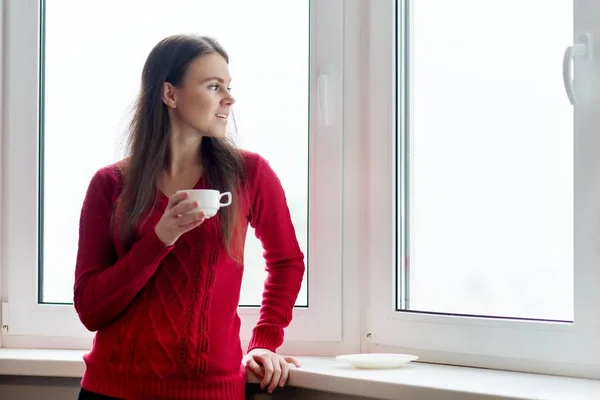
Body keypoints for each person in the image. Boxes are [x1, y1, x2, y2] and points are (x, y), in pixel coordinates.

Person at [73, 34, 305, 400]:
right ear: (170, 94)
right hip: (111, 390)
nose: (229, 98)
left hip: (211, 392)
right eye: (214, 86)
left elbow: (287, 261)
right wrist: (160, 239)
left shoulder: (250, 174)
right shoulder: (110, 184)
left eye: (228, 86)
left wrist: (264, 342)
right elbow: (90, 309)